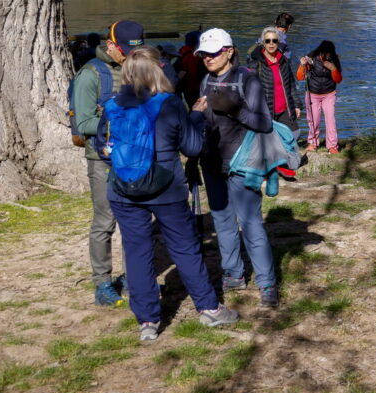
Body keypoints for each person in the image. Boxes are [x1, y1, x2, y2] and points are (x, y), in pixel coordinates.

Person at [96, 46, 238, 341]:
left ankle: (147, 322)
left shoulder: (112, 106)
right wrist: (197, 117)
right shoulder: (170, 104)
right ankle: (209, 309)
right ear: (157, 71)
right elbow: (192, 148)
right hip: (166, 188)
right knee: (185, 247)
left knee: (136, 252)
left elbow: (103, 149)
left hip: (123, 189)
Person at [196, 28, 279, 308]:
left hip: (242, 164)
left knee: (251, 223)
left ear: (229, 51)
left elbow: (264, 123)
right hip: (211, 161)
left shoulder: (247, 79)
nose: (208, 58)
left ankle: (267, 283)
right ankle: (233, 275)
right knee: (222, 222)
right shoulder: (205, 79)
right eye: (203, 54)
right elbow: (205, 123)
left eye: (213, 53)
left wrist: (234, 111)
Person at [71, 20, 142, 307]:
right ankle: (102, 283)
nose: (129, 56)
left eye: (134, 51)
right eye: (124, 50)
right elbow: (82, 122)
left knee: (134, 221)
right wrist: (120, 119)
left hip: (133, 158)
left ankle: (133, 277)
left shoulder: (135, 68)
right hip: (101, 160)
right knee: (105, 221)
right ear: (110, 45)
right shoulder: (90, 75)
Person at [250, 27, 302, 131]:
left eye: (274, 40)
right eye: (267, 41)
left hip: (285, 110)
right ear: (263, 43)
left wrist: (296, 105)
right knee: (269, 142)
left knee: (293, 135)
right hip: (266, 111)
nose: (271, 44)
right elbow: (250, 88)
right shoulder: (256, 62)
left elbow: (291, 85)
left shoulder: (284, 61)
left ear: (278, 42)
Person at [299, 40, 343, 153]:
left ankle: (332, 146)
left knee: (330, 119)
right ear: (320, 51)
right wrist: (302, 65)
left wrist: (333, 69)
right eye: (326, 54)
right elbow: (299, 77)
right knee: (313, 120)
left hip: (329, 94)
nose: (328, 56)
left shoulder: (334, 60)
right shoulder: (311, 57)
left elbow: (338, 80)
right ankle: (313, 143)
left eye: (330, 54)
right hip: (313, 94)